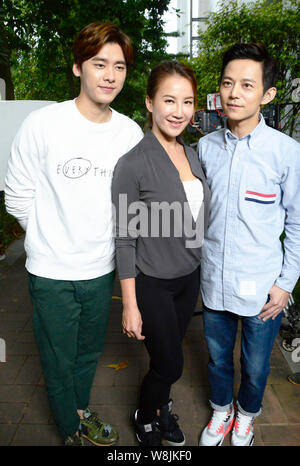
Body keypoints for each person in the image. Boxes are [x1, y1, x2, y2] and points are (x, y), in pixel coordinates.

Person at [5, 22, 143, 446]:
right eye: (99, 64)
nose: (109, 75)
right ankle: (69, 430)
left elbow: (132, 205)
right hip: (51, 271)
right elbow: (17, 195)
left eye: (118, 66)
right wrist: (49, 235)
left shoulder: (129, 133)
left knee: (87, 355)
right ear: (78, 67)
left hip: (100, 271)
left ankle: (79, 413)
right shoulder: (43, 124)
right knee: (57, 358)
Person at [198, 42, 300, 447]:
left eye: (246, 85)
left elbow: (297, 221)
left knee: (256, 367)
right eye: (227, 83)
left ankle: (246, 416)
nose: (235, 93)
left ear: (267, 94)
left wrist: (286, 282)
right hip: (213, 283)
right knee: (218, 359)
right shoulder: (204, 149)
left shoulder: (286, 153)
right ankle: (221, 411)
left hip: (263, 290)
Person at [112, 61, 211, 446]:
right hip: (151, 283)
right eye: (169, 100)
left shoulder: (193, 153)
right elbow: (124, 238)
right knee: (170, 362)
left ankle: (160, 408)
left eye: (187, 102)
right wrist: (129, 305)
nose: (179, 111)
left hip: (189, 279)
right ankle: (145, 415)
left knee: (166, 359)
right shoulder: (132, 163)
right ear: (150, 102)